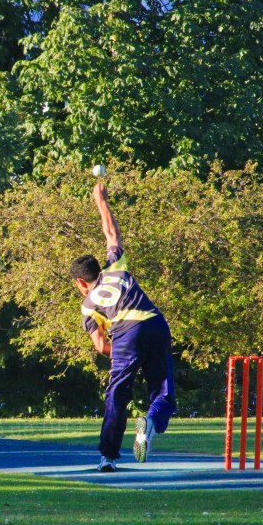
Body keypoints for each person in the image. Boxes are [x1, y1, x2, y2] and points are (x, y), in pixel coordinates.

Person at [71, 182, 176, 473]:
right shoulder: (116, 267)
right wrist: (100, 200)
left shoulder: (88, 304)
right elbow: (111, 233)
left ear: (81, 282)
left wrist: (121, 357)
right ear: (98, 270)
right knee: (163, 391)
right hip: (155, 323)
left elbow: (101, 346)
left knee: (117, 393)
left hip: (125, 335)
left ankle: (108, 457)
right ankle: (150, 423)